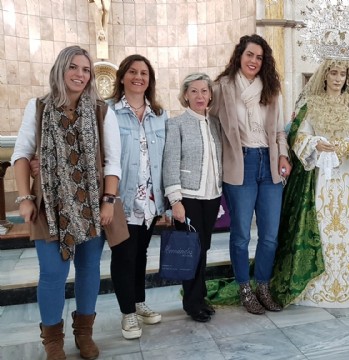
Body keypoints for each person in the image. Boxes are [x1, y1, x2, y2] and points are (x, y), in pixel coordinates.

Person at [11, 45, 123, 360]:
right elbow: (21, 154)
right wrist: (25, 198)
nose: (80, 74)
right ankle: (52, 342)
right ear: (61, 70)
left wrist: (108, 202)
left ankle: (84, 334)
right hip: (50, 204)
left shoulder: (102, 111)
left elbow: (113, 163)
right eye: (74, 67)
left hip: (92, 204)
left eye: (86, 69)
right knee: (52, 273)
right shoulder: (38, 108)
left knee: (88, 270)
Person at [270, 58, 349, 308]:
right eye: (334, 73)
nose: (338, 78)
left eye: (343, 74)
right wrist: (313, 143)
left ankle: (343, 287)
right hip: (320, 175)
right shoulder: (312, 103)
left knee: (346, 227)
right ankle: (314, 288)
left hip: (347, 177)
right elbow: (299, 134)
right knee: (320, 222)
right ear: (325, 75)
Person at [210, 34, 290, 315]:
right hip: (240, 163)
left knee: (270, 235)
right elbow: (212, 126)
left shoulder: (270, 88)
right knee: (242, 234)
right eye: (250, 55)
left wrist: (283, 154)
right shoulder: (222, 87)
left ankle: (263, 286)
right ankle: (245, 287)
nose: (254, 61)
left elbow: (279, 130)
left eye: (259, 57)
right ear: (239, 56)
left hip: (268, 165)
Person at [106, 54, 166, 339]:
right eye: (133, 71)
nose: (138, 77)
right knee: (123, 255)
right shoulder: (108, 112)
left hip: (150, 200)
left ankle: (138, 302)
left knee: (140, 253)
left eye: (144, 73)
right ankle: (127, 312)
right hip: (122, 198)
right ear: (122, 77)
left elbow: (163, 157)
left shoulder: (159, 113)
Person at [163, 73, 222, 323]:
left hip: (211, 196)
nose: (201, 96)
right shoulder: (176, 124)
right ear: (185, 95)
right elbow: (170, 163)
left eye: (205, 91)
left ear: (210, 94)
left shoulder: (215, 123)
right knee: (192, 251)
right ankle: (191, 303)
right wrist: (175, 200)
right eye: (195, 91)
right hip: (188, 197)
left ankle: (200, 296)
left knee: (204, 248)